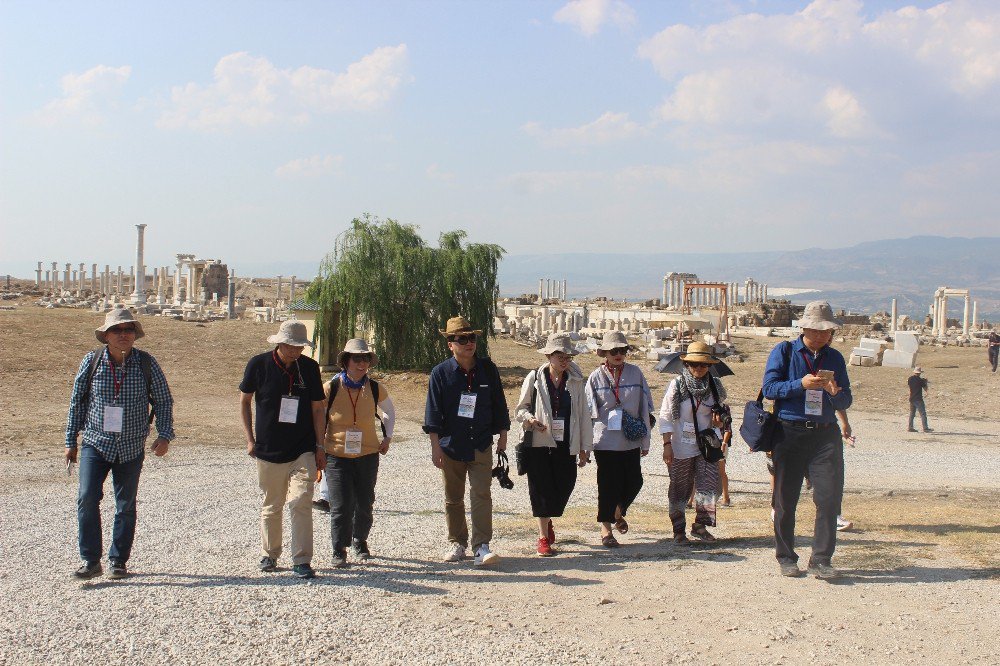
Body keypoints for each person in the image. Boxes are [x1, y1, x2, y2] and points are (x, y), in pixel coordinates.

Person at [65, 308, 174, 580]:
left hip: (131, 446)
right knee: (87, 498)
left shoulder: (147, 363)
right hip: (95, 442)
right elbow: (77, 402)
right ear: (106, 335)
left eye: (128, 330)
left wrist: (164, 434)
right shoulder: (91, 361)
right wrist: (70, 441)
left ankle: (118, 560)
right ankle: (90, 560)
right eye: (117, 330)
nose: (124, 335)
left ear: (135, 335)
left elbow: (163, 400)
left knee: (125, 504)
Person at [763, 301, 852, 580]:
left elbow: (846, 399)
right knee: (785, 500)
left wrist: (835, 392)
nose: (822, 336)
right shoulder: (784, 351)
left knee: (828, 498)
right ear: (805, 328)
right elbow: (769, 388)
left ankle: (822, 559)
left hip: (825, 433)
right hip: (789, 432)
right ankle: (786, 556)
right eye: (817, 330)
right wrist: (799, 384)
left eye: (827, 332)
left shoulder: (835, 358)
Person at [240, 320, 326, 579]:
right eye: (290, 346)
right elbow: (244, 401)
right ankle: (270, 554)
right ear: (279, 342)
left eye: (300, 347)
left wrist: (320, 445)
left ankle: (302, 559)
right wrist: (249, 438)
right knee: (272, 504)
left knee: (301, 502)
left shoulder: (309, 368)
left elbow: (318, 408)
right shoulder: (258, 364)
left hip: (303, 448)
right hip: (268, 447)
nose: (295, 351)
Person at [423, 316, 510, 566]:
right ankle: (458, 543)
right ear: (450, 344)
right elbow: (433, 412)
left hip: (481, 442)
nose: (469, 343)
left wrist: (502, 436)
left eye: (471, 338)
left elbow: (499, 404)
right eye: (462, 339)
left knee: (482, 493)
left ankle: (481, 546)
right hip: (451, 444)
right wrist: (435, 446)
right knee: (453, 497)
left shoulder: (487, 369)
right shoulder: (440, 373)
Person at [514, 333, 593, 556]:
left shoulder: (576, 380)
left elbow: (584, 415)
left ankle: (548, 518)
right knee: (540, 489)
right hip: (539, 442)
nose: (564, 360)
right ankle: (542, 536)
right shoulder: (534, 378)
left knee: (565, 484)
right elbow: (521, 409)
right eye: (560, 355)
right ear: (549, 356)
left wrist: (585, 448)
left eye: (567, 356)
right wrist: (529, 419)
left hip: (567, 441)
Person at [321, 339, 395, 567]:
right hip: (336, 455)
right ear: (346, 361)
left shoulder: (374, 388)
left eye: (366, 359)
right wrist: (318, 447)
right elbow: (318, 417)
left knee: (365, 502)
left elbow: (389, 412)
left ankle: (360, 541)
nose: (362, 363)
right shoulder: (330, 387)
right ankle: (338, 549)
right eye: (357, 358)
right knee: (340, 505)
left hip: (367, 455)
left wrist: (387, 438)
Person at [585, 331, 654, 548]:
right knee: (607, 485)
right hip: (604, 440)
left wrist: (645, 441)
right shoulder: (595, 377)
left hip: (630, 438)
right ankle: (606, 529)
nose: (618, 354)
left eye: (622, 350)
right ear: (604, 353)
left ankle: (617, 511)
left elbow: (645, 409)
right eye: (613, 351)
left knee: (635, 481)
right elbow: (587, 413)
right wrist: (585, 446)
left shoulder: (636, 373)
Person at [658, 342, 728, 543]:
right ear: (687, 365)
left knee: (709, 486)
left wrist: (718, 420)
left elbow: (719, 412)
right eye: (694, 364)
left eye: (704, 365)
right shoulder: (677, 385)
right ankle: (678, 529)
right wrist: (667, 444)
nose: (699, 369)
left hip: (706, 445)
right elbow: (665, 415)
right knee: (680, 487)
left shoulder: (715, 386)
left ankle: (700, 526)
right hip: (681, 445)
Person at [906, 367, 932, 433]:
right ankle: (925, 428)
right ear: (920, 373)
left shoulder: (910, 379)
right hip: (918, 399)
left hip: (912, 398)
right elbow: (925, 388)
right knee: (923, 413)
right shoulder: (920, 380)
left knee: (912, 413)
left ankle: (910, 427)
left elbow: (911, 386)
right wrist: (925, 382)